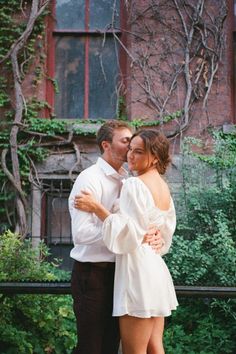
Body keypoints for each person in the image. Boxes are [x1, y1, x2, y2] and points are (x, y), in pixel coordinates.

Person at [75, 129, 178, 354]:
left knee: (134, 350)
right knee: (154, 346)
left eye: (138, 151)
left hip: (136, 270)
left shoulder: (134, 184)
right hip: (156, 268)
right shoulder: (163, 186)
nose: (131, 155)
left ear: (156, 157)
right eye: (130, 149)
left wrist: (98, 208)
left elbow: (128, 234)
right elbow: (165, 230)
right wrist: (153, 237)